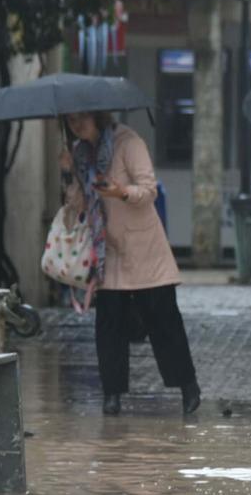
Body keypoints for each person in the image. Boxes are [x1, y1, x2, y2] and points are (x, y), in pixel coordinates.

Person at [59, 111, 201, 416]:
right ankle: (112, 394)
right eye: (70, 121)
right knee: (108, 325)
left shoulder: (128, 142)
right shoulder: (80, 153)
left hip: (144, 248)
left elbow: (148, 190)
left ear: (96, 116)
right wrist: (69, 174)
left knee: (164, 321)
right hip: (107, 250)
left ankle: (188, 386)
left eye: (80, 118)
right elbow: (78, 203)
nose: (76, 125)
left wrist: (121, 192)